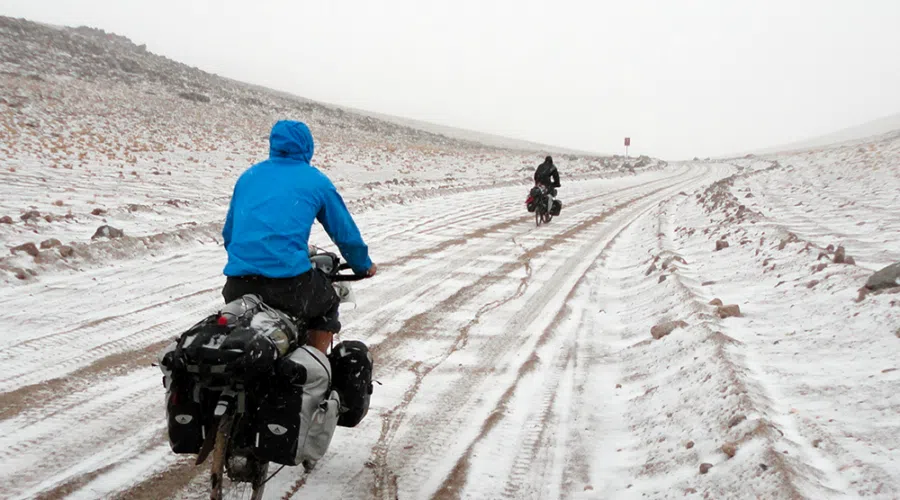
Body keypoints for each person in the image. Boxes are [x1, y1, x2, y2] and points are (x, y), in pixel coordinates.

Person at [221, 119, 377, 355]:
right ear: (307, 147)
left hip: (237, 285)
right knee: (328, 301)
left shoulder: (248, 177)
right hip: (289, 285)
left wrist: (249, 259)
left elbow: (229, 234)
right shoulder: (316, 181)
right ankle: (317, 363)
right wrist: (363, 265)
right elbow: (345, 234)